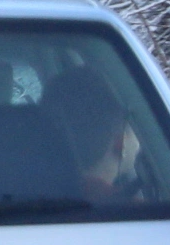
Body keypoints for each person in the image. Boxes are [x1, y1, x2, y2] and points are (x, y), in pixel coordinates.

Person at [44, 68, 142, 201]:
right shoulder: (134, 211)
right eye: (133, 131)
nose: (138, 144)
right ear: (121, 143)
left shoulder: (33, 196)